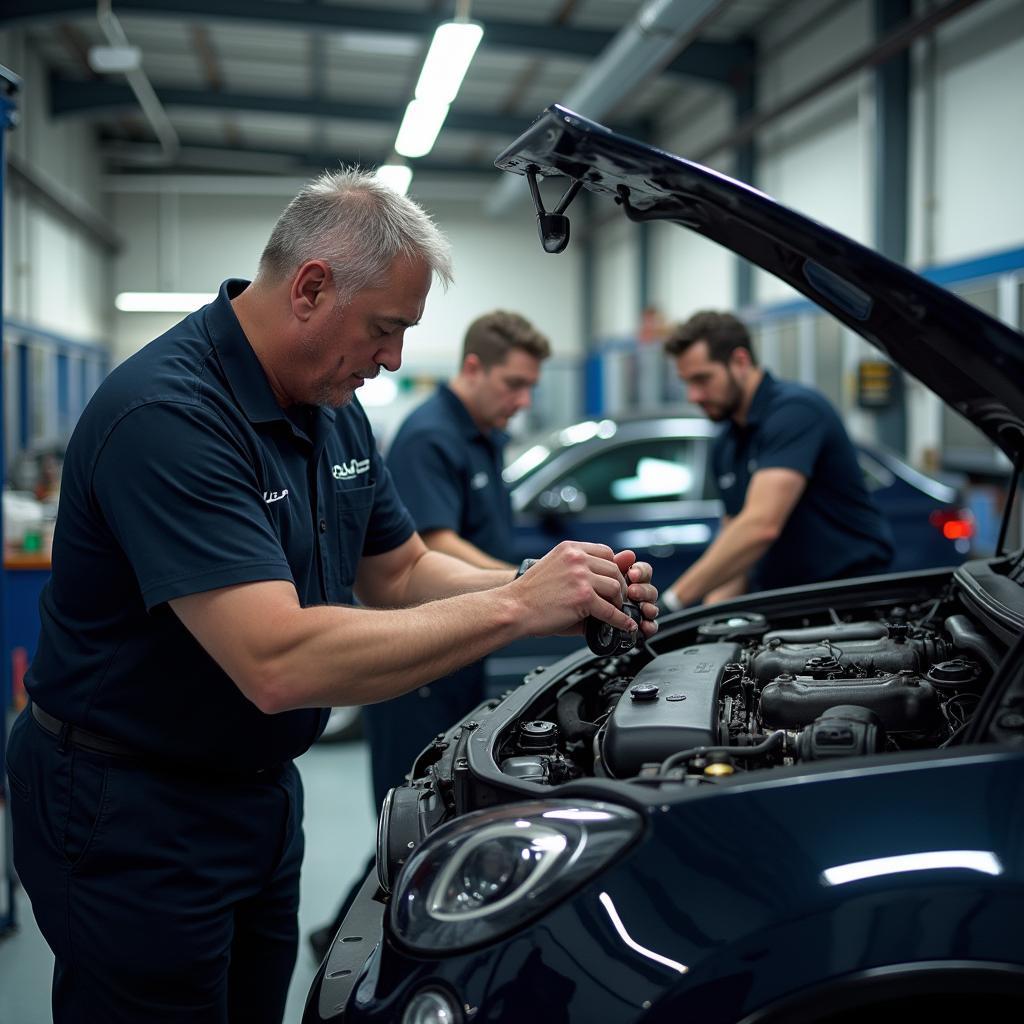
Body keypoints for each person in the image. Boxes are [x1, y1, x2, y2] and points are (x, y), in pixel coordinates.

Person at [4, 169, 659, 1024]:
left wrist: (550, 585)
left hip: (258, 791)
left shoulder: (331, 405)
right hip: (128, 807)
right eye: (385, 330)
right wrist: (514, 610)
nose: (391, 360)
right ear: (311, 288)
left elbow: (399, 569)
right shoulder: (169, 416)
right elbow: (276, 660)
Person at [366, 310, 551, 806]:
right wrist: (527, 586)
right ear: (473, 368)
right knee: (413, 817)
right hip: (421, 663)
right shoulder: (432, 436)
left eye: (530, 386)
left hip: (461, 644)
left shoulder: (481, 435)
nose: (523, 400)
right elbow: (433, 544)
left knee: (453, 806)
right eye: (514, 384)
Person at [659, 310, 893, 609]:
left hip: (846, 600)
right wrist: (710, 617)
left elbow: (760, 526)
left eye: (702, 379)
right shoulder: (726, 443)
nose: (693, 395)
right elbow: (737, 546)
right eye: (686, 383)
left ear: (740, 362)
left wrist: (672, 602)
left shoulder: (796, 411)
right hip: (785, 604)